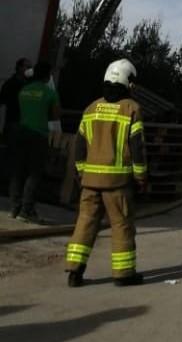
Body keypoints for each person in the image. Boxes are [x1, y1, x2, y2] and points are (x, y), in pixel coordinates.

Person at [65, 59, 148, 287]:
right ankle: (123, 274)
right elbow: (138, 148)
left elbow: (79, 146)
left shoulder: (91, 108)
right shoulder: (131, 109)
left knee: (85, 223)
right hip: (118, 183)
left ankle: (74, 270)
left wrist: (83, 173)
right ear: (127, 81)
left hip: (90, 182)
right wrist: (141, 178)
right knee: (121, 226)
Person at [10, 60, 60, 222]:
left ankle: (14, 207)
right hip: (38, 136)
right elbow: (54, 117)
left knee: (18, 171)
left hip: (20, 133)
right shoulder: (50, 93)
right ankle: (26, 211)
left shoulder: (23, 90)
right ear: (47, 77)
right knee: (34, 173)